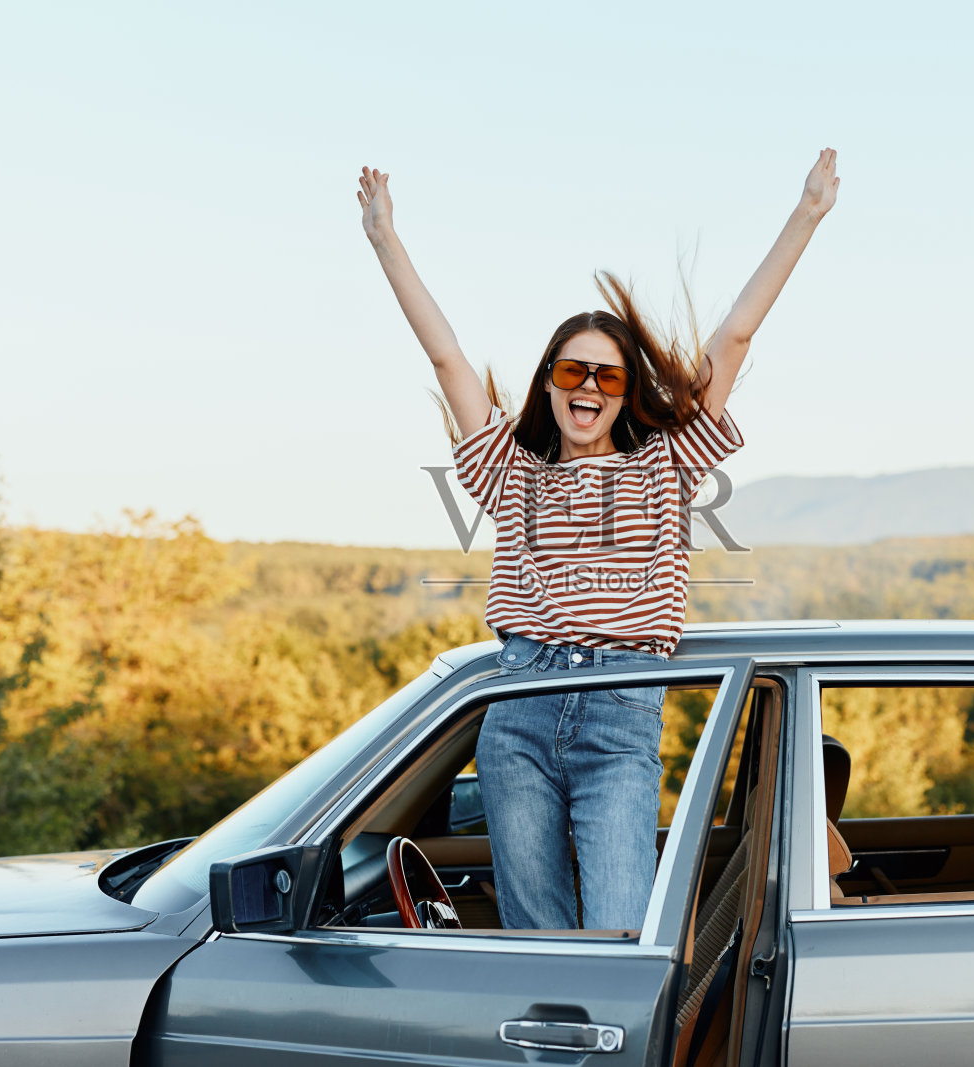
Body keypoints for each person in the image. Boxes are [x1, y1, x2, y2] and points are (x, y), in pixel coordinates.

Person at [357, 150, 838, 930]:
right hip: (518, 704)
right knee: (535, 936)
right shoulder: (511, 471)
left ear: (627, 392)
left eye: (609, 377)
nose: (588, 388)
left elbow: (736, 337)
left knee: (622, 931)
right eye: (574, 371)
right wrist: (386, 240)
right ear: (549, 381)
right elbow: (446, 356)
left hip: (621, 709)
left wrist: (806, 215)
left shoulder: (666, 461)